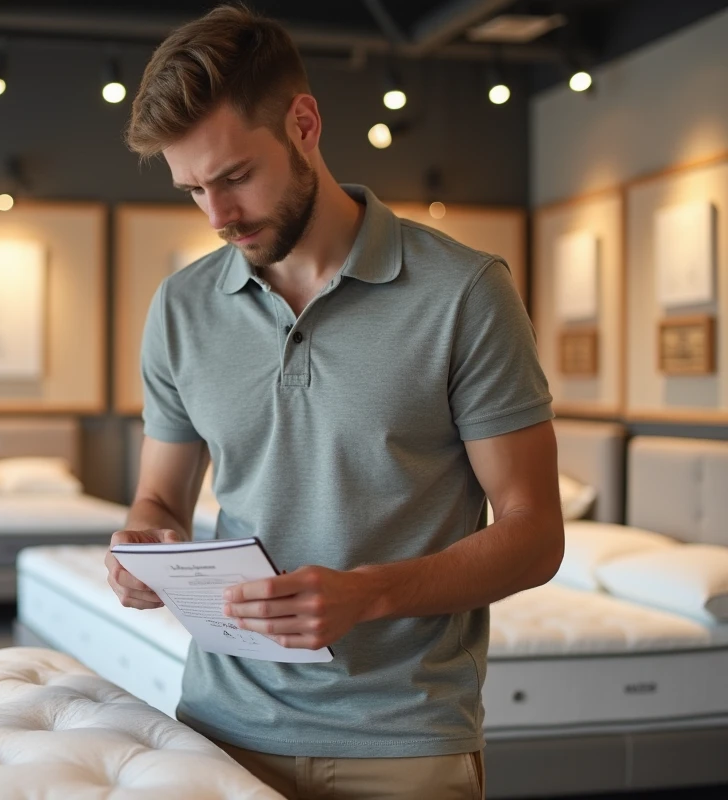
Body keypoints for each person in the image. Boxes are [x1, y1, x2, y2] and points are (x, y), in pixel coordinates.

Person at [104, 5, 563, 799]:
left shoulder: (464, 294)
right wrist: (146, 542)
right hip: (218, 728)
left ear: (304, 124)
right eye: (193, 190)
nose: (218, 216)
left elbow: (535, 535)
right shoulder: (180, 308)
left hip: (403, 741)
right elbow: (162, 495)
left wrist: (370, 592)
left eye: (236, 177)